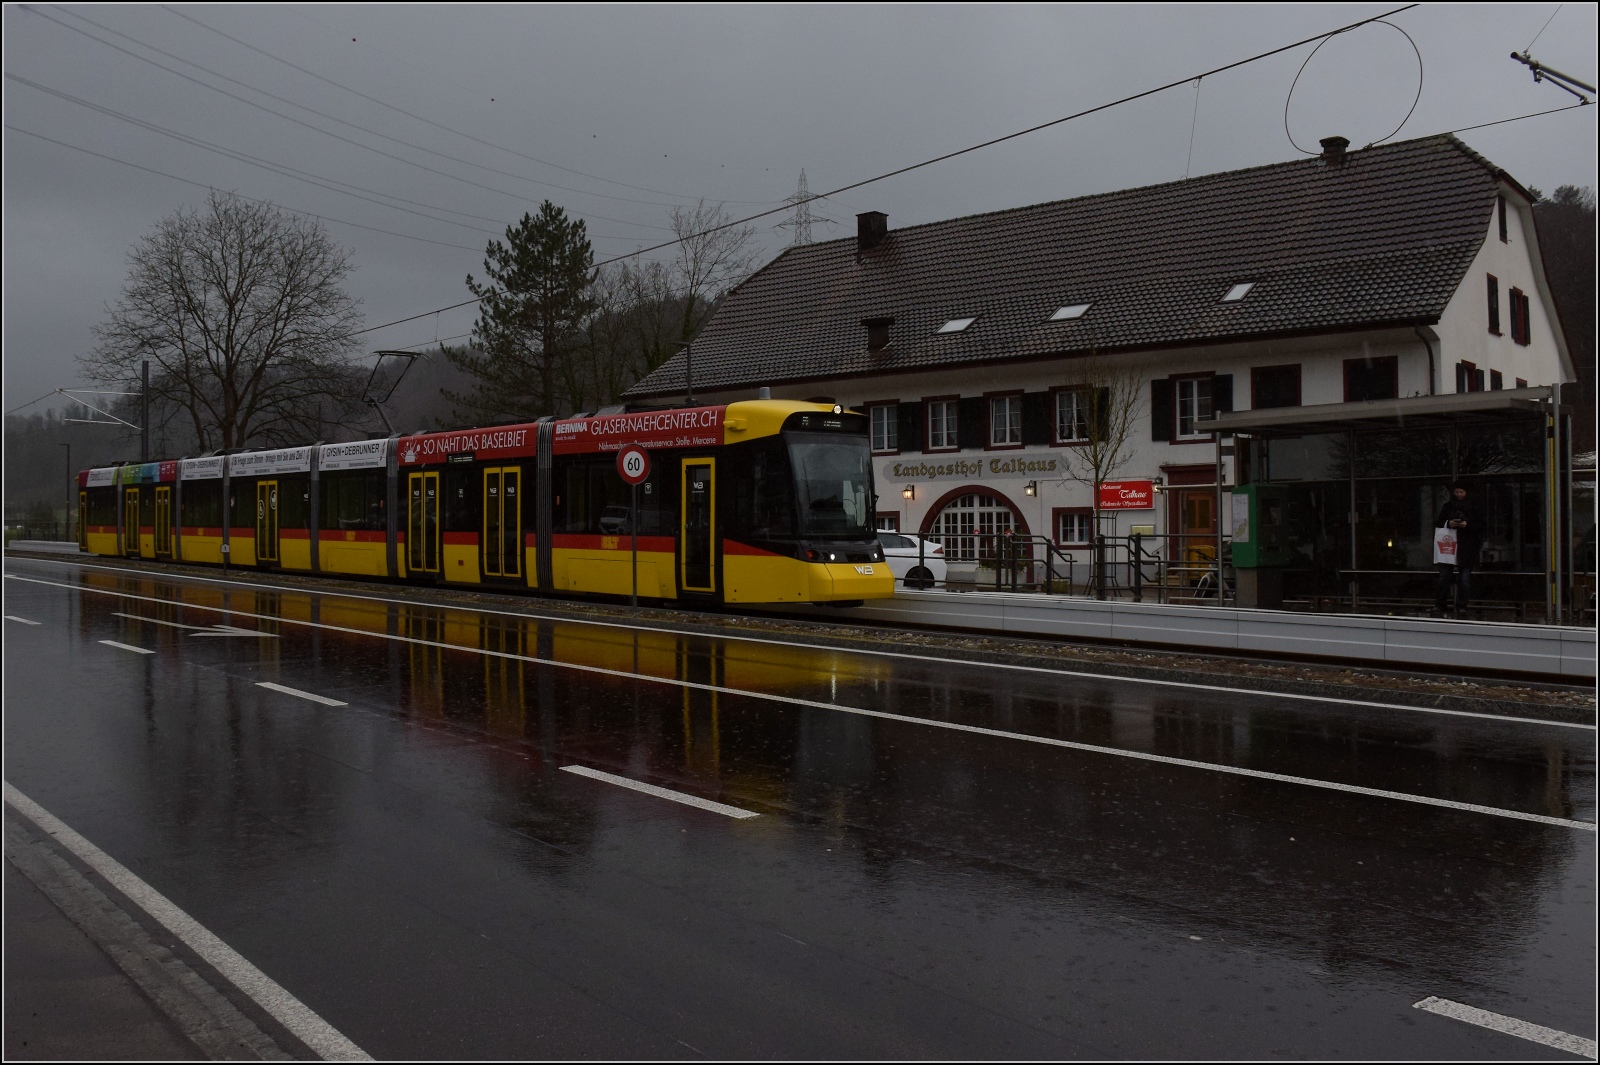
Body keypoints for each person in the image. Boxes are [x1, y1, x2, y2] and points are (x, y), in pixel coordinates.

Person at [1433, 482, 1483, 617]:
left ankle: (1461, 605)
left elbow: (1481, 525)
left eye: (1462, 492)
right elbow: (1438, 523)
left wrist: (1467, 524)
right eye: (1457, 492)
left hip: (1466, 547)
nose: (1459, 495)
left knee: (1464, 579)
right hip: (1450, 547)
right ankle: (1441, 604)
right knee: (1444, 577)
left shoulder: (1474, 507)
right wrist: (1449, 524)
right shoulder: (1448, 507)